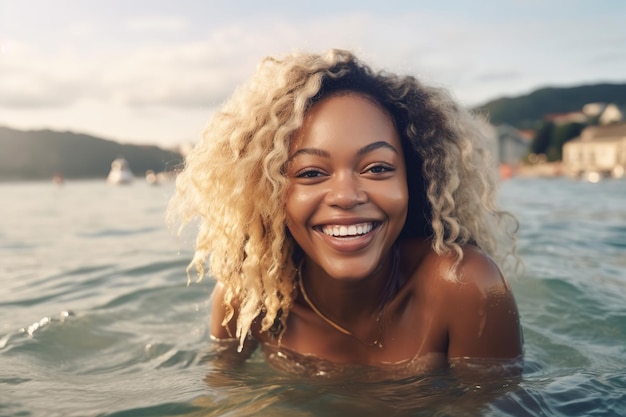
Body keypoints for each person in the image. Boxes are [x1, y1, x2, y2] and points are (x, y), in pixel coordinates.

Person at [169, 49, 522, 376]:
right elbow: (221, 398)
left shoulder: (464, 286)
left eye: (377, 168)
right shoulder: (248, 298)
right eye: (310, 173)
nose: (346, 196)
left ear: (412, 181)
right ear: (269, 194)